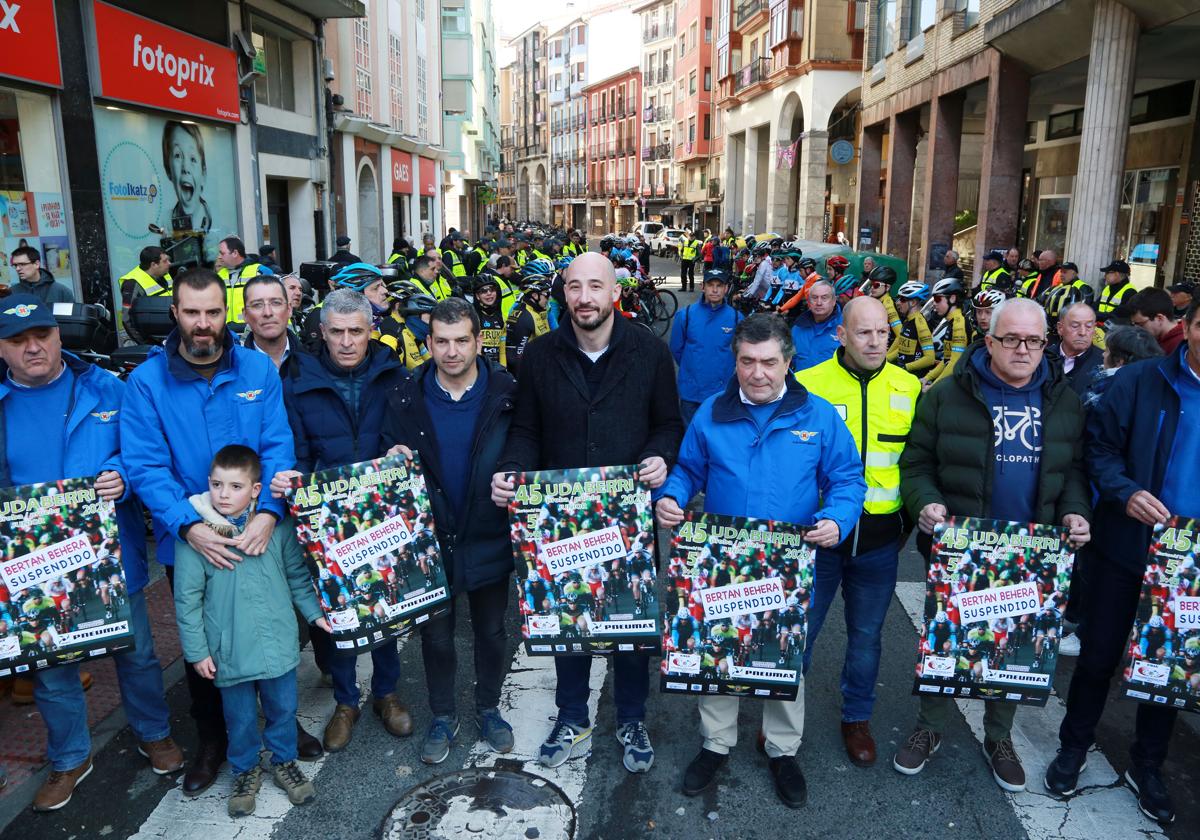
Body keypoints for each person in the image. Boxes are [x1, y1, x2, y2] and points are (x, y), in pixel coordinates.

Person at [656, 313, 866, 807]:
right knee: (719, 649)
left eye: (769, 362)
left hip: (789, 563)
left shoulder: (817, 416)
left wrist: (837, 518)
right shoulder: (711, 413)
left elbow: (848, 478)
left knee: (783, 651)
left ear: (788, 362)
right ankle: (715, 742)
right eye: (747, 361)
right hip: (723, 558)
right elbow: (688, 470)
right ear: (736, 360)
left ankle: (782, 749)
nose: (757, 373)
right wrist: (671, 495)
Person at [120, 268, 315, 795]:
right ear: (175, 314)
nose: (202, 324)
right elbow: (144, 465)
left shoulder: (256, 369)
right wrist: (188, 526)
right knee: (205, 641)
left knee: (270, 627)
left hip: (258, 529)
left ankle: (281, 730)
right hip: (189, 539)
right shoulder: (146, 382)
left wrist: (270, 511)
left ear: (225, 312)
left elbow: (277, 445)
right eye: (191, 312)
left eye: (211, 312)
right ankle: (213, 739)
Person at [490, 251, 683, 775]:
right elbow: (526, 429)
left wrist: (660, 457)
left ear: (615, 292)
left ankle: (631, 717)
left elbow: (669, 423)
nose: (584, 297)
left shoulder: (648, 351)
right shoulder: (541, 354)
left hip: (626, 515)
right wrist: (511, 468)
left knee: (630, 621)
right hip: (559, 516)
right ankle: (571, 715)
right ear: (565, 294)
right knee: (565, 622)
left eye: (595, 286)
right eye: (574, 287)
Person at [894, 297, 1091, 792]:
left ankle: (998, 736)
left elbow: (1073, 472)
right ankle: (930, 727)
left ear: (1045, 343)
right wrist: (927, 502)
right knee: (946, 639)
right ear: (990, 339)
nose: (1022, 350)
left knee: (1012, 646)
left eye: (1033, 341)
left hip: (1031, 548)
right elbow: (915, 463)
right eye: (1011, 339)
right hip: (960, 546)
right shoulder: (946, 395)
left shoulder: (1063, 399)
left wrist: (1075, 511)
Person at [0, 296, 183, 811]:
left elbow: (146, 450)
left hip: (109, 556)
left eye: (42, 335)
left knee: (137, 653)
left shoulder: (107, 388)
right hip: (32, 565)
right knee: (52, 668)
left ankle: (154, 732)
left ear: (59, 336)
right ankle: (70, 757)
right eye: (17, 341)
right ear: (2, 348)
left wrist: (121, 475)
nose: (33, 347)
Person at [1046, 302, 1200, 826]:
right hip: (1126, 547)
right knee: (1097, 657)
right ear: (1190, 328)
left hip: (1190, 566)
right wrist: (1125, 490)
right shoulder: (1138, 380)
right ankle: (1074, 745)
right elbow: (1098, 449)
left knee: (1169, 671)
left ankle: (1147, 764)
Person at [271, 289, 412, 754]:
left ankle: (387, 693)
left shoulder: (394, 374)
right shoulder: (298, 379)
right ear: (322, 332)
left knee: (386, 607)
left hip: (382, 513)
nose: (347, 342)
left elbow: (404, 436)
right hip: (327, 517)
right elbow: (299, 450)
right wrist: (312, 493)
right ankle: (347, 700)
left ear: (371, 329)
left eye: (356, 331)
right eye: (337, 332)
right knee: (339, 614)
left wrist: (399, 454)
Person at [381, 299, 517, 765]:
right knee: (435, 637)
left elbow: (526, 447)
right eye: (442, 341)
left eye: (462, 341)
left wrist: (518, 473)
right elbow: (385, 457)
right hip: (431, 540)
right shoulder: (405, 396)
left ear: (480, 341)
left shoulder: (507, 392)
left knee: (492, 631)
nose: (452, 351)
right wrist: (390, 459)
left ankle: (488, 708)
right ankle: (443, 714)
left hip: (488, 532)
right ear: (428, 343)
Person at [795, 297, 919, 768]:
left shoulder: (909, 387)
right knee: (800, 632)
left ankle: (857, 718)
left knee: (866, 637)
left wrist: (906, 521)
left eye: (882, 332)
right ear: (841, 335)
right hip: (818, 539)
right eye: (863, 332)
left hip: (880, 542)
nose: (874, 341)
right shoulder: (807, 385)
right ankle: (784, 713)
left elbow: (916, 463)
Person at [174, 445, 326, 817]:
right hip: (230, 651)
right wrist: (197, 651)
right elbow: (187, 601)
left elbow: (297, 578)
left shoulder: (277, 528)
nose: (223, 494)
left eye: (235, 486)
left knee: (283, 709)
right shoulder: (197, 538)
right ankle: (244, 770)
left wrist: (315, 614)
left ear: (256, 490)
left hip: (277, 642)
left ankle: (284, 760)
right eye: (216, 484)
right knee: (239, 718)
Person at [670, 269, 741, 426]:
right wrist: (693, 366)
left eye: (719, 285)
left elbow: (742, 352)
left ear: (726, 288)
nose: (715, 290)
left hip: (720, 391)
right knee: (690, 437)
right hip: (691, 391)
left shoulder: (736, 317)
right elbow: (676, 348)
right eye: (710, 285)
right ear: (703, 287)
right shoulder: (685, 315)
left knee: (716, 438)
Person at [242, 275, 305, 375]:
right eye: (257, 305)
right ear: (245, 315)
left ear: (289, 310)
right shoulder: (232, 370)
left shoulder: (314, 365)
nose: (268, 312)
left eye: (276, 303)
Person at [1046, 301, 1103, 397]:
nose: (1083, 332)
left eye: (1089, 326)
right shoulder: (1044, 357)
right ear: (1060, 328)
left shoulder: (1103, 363)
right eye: (1075, 326)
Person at [163, 121, 211, 234]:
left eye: (193, 159)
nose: (186, 168)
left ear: (203, 174)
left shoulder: (215, 223)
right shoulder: (164, 223)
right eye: (178, 155)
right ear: (168, 170)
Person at [922, 278, 968, 388]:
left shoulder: (959, 323)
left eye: (937, 299)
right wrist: (927, 378)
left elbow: (954, 363)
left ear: (952, 298)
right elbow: (947, 360)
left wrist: (933, 386)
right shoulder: (951, 321)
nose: (934, 303)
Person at [503, 277, 552, 377]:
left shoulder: (532, 309)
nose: (549, 298)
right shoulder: (526, 316)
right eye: (546, 294)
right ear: (534, 295)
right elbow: (517, 356)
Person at [789, 281, 843, 371]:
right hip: (801, 383)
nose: (819, 303)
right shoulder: (797, 328)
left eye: (824, 298)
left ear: (833, 301)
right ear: (809, 302)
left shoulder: (845, 326)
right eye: (814, 298)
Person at [216, 236, 271, 323]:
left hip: (252, 329)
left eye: (222, 253)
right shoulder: (219, 275)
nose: (219, 257)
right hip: (226, 331)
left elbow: (276, 301)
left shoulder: (259, 271)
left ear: (234, 253)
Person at [885, 281, 936, 375]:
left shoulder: (920, 323)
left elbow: (930, 358)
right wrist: (886, 359)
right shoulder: (908, 320)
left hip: (912, 376)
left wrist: (905, 367)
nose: (898, 302)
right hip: (902, 372)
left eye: (902, 299)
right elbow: (902, 349)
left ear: (913, 302)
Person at [119, 246, 172, 320]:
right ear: (153, 265)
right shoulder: (132, 284)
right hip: (154, 329)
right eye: (165, 261)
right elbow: (127, 318)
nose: (169, 263)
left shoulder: (164, 273)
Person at [1129, 288, 1185, 355]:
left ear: (1159, 318)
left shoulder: (1181, 346)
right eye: (1133, 324)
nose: (1136, 329)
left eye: (1140, 324)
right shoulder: (1156, 338)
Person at [473, 274, 509, 367]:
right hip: (479, 366)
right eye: (484, 291)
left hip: (496, 367)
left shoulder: (502, 317)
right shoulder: (472, 317)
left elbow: (502, 348)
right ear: (477, 296)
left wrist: (503, 368)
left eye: (492, 289)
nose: (489, 293)